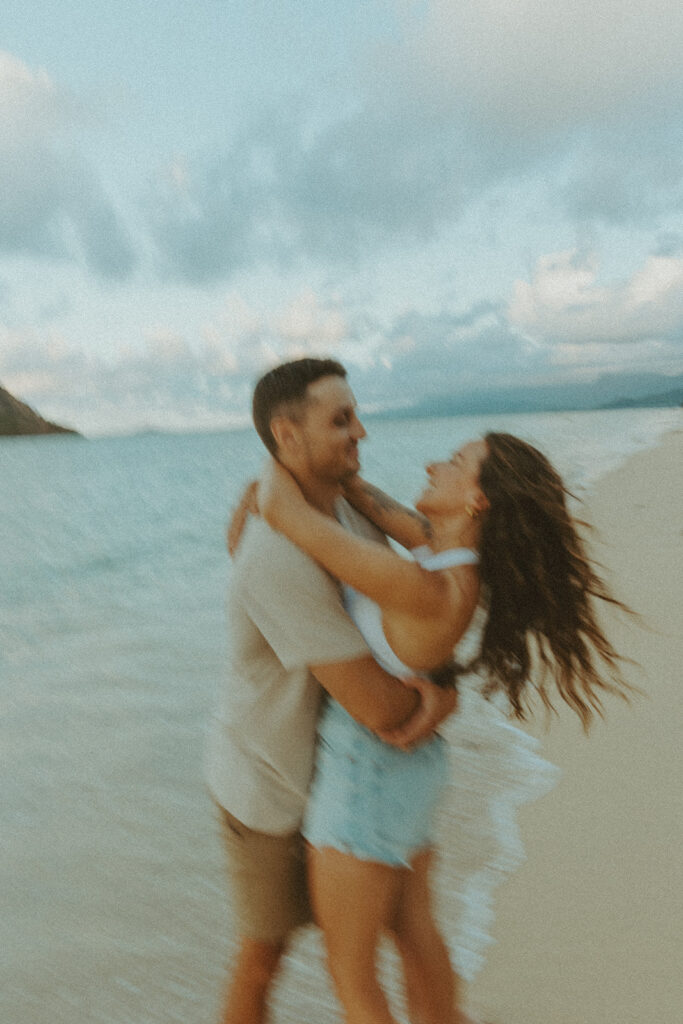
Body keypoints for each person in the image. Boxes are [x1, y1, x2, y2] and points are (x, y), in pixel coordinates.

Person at [258, 431, 632, 1024]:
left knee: (352, 978)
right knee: (416, 936)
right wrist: (346, 477)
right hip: (410, 773)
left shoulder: (420, 584)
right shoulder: (451, 562)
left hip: (364, 776)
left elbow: (287, 515)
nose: (434, 462)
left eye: (455, 462)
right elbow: (378, 507)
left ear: (477, 501)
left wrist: (288, 443)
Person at [205, 358, 457, 1024]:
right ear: (287, 438)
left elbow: (406, 623)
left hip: (338, 775)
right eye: (340, 420)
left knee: (399, 940)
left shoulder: (346, 510)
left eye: (356, 415)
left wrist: (443, 684)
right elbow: (379, 707)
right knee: (263, 961)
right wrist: (432, 702)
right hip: (270, 786)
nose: (360, 432)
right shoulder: (275, 557)